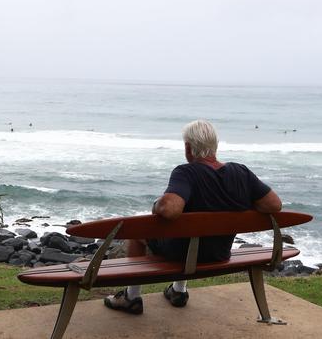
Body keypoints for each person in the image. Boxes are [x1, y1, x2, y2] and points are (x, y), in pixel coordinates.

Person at [104, 119, 282, 314]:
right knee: (189, 235)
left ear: (188, 148)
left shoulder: (186, 173)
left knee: (138, 233)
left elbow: (170, 209)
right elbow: (274, 204)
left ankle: (132, 296)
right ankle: (178, 291)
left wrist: (157, 205)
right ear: (215, 146)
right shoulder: (242, 173)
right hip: (219, 253)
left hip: (181, 255)